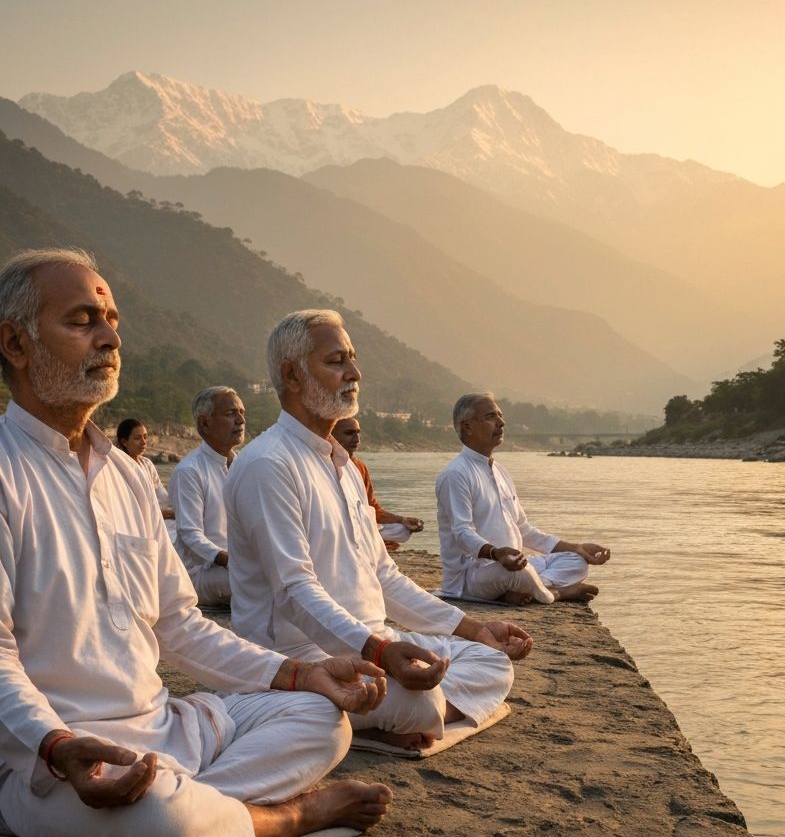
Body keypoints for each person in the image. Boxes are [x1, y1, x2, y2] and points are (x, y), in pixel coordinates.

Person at [0, 249, 392, 837]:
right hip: (61, 759)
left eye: (112, 319)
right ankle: (280, 816)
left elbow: (179, 626)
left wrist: (300, 673)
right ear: (16, 343)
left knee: (321, 717)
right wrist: (54, 746)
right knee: (158, 822)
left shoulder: (129, 475)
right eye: (81, 321)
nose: (109, 337)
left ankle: (194, 818)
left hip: (165, 727)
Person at [226, 309, 533, 751]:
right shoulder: (269, 465)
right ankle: (413, 716)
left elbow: (383, 574)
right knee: (420, 702)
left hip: (373, 641)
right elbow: (294, 592)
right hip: (303, 655)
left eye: (352, 358)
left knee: (490, 660)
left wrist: (471, 628)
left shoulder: (344, 467)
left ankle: (401, 720)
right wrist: (379, 652)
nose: (354, 372)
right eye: (336, 362)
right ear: (291, 376)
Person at [436, 393, 611, 605]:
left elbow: (523, 529)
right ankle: (556, 593)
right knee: (520, 574)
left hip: (514, 565)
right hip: (472, 577)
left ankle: (526, 591)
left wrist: (576, 547)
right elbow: (462, 532)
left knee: (576, 561)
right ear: (468, 427)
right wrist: (495, 553)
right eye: (491, 417)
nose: (501, 423)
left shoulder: (500, 471)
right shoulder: (456, 474)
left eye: (500, 415)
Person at [168, 386, 245, 607]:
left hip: (240, 565)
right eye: (231, 413)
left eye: (242, 412)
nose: (240, 420)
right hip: (202, 572)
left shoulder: (243, 465)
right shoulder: (189, 471)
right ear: (205, 423)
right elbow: (190, 534)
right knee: (263, 582)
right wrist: (230, 560)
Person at [333, 417, 424, 550]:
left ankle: (368, 538)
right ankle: (368, 539)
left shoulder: (360, 467)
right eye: (349, 433)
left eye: (358, 433)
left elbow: (372, 507)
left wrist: (402, 520)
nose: (357, 439)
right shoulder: (326, 464)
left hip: (361, 525)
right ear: (332, 435)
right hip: (337, 525)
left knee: (402, 531)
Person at [116, 417, 174, 519]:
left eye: (145, 437)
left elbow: (162, 495)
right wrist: (159, 513)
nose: (143, 442)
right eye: (137, 438)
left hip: (153, 516)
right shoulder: (118, 467)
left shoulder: (147, 464)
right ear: (124, 442)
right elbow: (123, 503)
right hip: (132, 519)